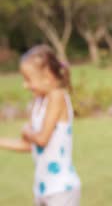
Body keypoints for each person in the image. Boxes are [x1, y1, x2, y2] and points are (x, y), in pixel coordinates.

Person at [0, 45, 81, 206]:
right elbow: (28, 145)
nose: (25, 85)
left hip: (61, 189)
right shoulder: (38, 102)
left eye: (28, 79)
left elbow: (42, 139)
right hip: (43, 188)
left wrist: (27, 131)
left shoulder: (57, 96)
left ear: (47, 76)